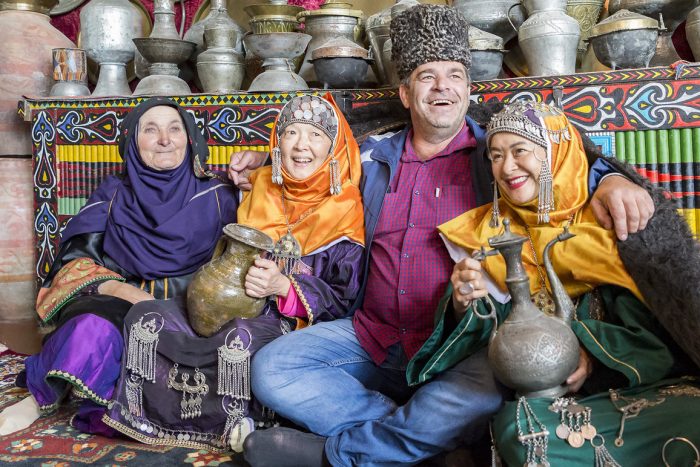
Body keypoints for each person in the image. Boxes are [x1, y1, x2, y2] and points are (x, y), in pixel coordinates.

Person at [232, 7, 655, 466]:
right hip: (368, 334)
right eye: (427, 76)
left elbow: (557, 165)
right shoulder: (370, 157)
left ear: (469, 90)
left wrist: (610, 177)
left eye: (455, 75)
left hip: (459, 345)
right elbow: (313, 155)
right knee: (272, 369)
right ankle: (414, 437)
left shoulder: (493, 158)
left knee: (487, 390)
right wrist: (261, 159)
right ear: (405, 93)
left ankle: (342, 454)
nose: (442, 87)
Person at [407, 99, 700, 466]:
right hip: (536, 396)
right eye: (495, 156)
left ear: (555, 153)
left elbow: (662, 332)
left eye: (519, 151)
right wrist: (464, 303)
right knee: (519, 431)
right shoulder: (485, 234)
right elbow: (492, 333)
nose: (506, 167)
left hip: (632, 387)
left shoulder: (610, 225)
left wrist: (593, 358)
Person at [101, 94, 365, 452]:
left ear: (333, 148)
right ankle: (145, 416)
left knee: (236, 337)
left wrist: (284, 286)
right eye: (291, 134)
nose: (302, 147)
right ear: (276, 143)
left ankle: (238, 425)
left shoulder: (345, 207)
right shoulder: (260, 186)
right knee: (146, 316)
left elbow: (345, 298)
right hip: (225, 297)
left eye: (316, 136)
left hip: (287, 319)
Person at [0, 97, 238, 436]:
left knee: (225, 352)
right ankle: (40, 399)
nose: (164, 140)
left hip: (193, 311)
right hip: (119, 305)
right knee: (91, 329)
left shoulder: (220, 194)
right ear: (131, 141)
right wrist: (122, 291)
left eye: (175, 129)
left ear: (191, 139)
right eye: (150, 130)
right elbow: (74, 262)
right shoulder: (113, 193)